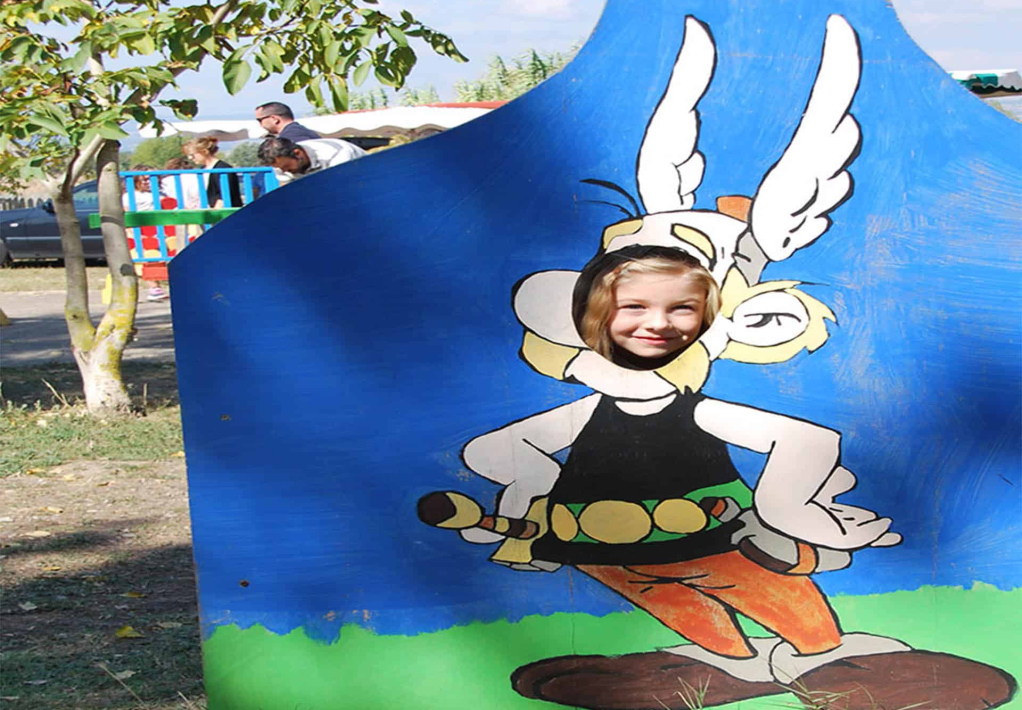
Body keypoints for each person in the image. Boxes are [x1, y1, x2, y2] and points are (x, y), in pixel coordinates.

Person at [121, 165, 167, 302]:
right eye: (145, 179)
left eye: (153, 179)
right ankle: (154, 287)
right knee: (146, 258)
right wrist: (133, 232)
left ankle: (158, 285)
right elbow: (127, 214)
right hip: (141, 231)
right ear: (136, 180)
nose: (149, 182)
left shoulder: (160, 194)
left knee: (160, 258)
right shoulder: (130, 196)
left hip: (159, 230)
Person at [257, 136, 366, 183]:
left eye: (287, 166)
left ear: (297, 153)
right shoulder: (280, 163)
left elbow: (342, 187)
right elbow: (285, 188)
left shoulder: (338, 155)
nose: (284, 171)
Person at [182, 137, 243, 208]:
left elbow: (224, 194)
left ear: (204, 152)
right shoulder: (203, 169)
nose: (190, 158)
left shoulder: (223, 168)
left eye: (192, 155)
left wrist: (215, 212)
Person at [254, 102, 321, 142]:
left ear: (274, 119)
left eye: (260, 120)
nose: (260, 125)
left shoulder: (291, 136)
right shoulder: (298, 131)